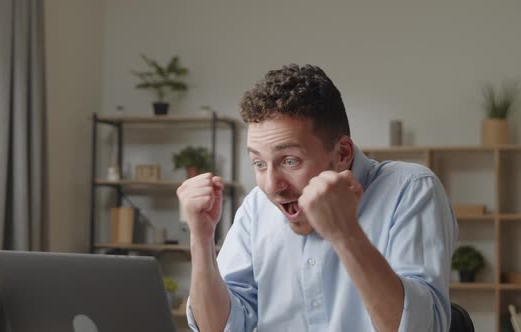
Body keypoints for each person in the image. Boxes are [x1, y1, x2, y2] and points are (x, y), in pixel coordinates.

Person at [176, 64, 458, 332]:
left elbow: (423, 327)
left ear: (343, 153)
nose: (273, 186)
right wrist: (201, 240)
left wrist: (345, 233)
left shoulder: (410, 188)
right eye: (259, 163)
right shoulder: (256, 207)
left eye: (289, 160)